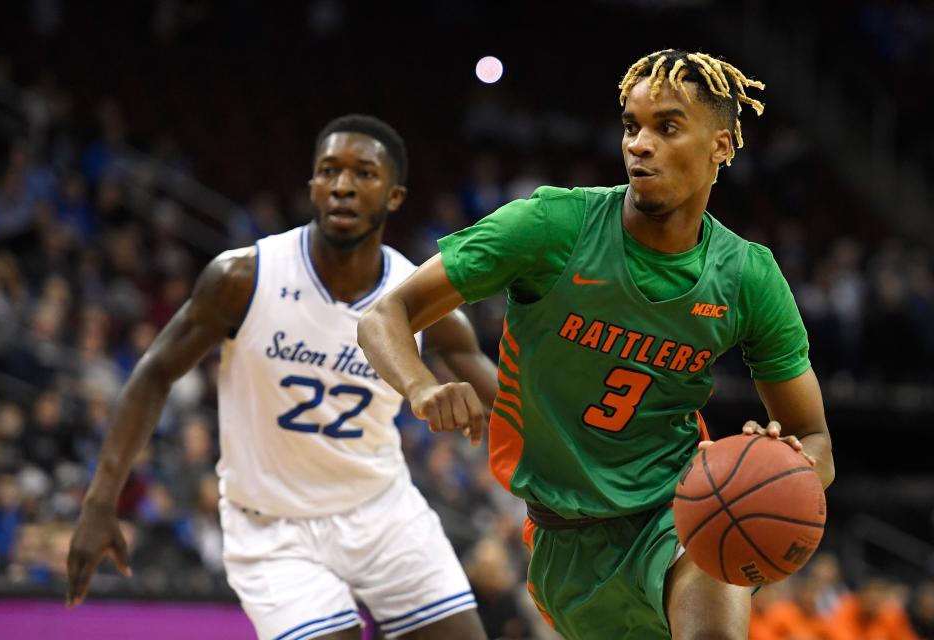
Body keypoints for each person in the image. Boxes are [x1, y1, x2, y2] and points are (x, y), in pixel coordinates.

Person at [357, 49, 836, 640]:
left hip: (683, 510)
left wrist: (784, 462)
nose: (639, 144)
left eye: (666, 127)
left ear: (719, 145)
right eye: (632, 126)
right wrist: (421, 387)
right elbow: (385, 314)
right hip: (563, 541)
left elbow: (815, 440)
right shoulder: (554, 227)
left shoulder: (747, 277)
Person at [66, 114, 495, 640]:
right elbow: (154, 375)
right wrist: (100, 500)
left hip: (382, 511)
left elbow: (513, 404)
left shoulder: (424, 300)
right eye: (329, 171)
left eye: (363, 173)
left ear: (395, 196)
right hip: (272, 527)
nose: (342, 185)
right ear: (312, 185)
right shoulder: (243, 277)